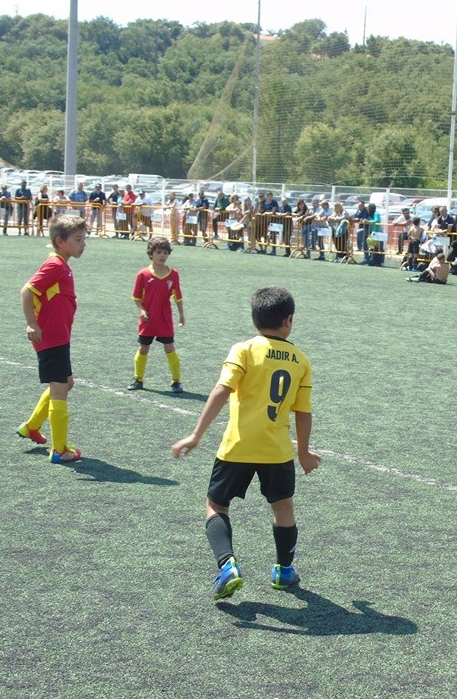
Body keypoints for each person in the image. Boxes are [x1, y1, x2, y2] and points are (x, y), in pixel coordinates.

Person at [171, 286, 320, 601]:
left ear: (255, 321)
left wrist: (196, 435)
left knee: (215, 505)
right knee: (283, 507)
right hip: (277, 450)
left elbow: (222, 390)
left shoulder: (244, 350)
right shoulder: (300, 360)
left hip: (237, 446)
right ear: (289, 320)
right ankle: (283, 570)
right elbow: (303, 413)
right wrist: (303, 452)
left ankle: (227, 565)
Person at [15, 214, 88, 464]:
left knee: (66, 383)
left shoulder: (62, 265)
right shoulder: (55, 265)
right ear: (60, 241)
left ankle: (31, 427)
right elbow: (27, 291)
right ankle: (59, 450)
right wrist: (31, 323)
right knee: (60, 390)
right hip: (50, 338)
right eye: (78, 239)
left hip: (60, 337)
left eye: (84, 238)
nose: (83, 243)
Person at [128, 237, 185, 394]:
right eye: (158, 252)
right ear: (151, 254)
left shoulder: (173, 274)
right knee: (144, 347)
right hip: (148, 320)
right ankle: (138, 379)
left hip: (165, 318)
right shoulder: (143, 274)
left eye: (165, 252)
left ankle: (176, 382)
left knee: (170, 348)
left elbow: (177, 296)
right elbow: (136, 298)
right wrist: (142, 310)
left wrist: (181, 314)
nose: (162, 256)